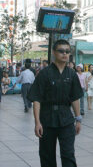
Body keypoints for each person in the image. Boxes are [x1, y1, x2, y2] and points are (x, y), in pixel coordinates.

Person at [27, 39, 83, 167]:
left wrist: (78, 119)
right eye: (61, 51)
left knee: (68, 154)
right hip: (47, 119)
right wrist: (37, 122)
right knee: (47, 156)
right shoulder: (44, 73)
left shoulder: (72, 74)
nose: (65, 54)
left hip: (66, 119)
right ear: (53, 52)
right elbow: (37, 99)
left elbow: (75, 98)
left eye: (67, 51)